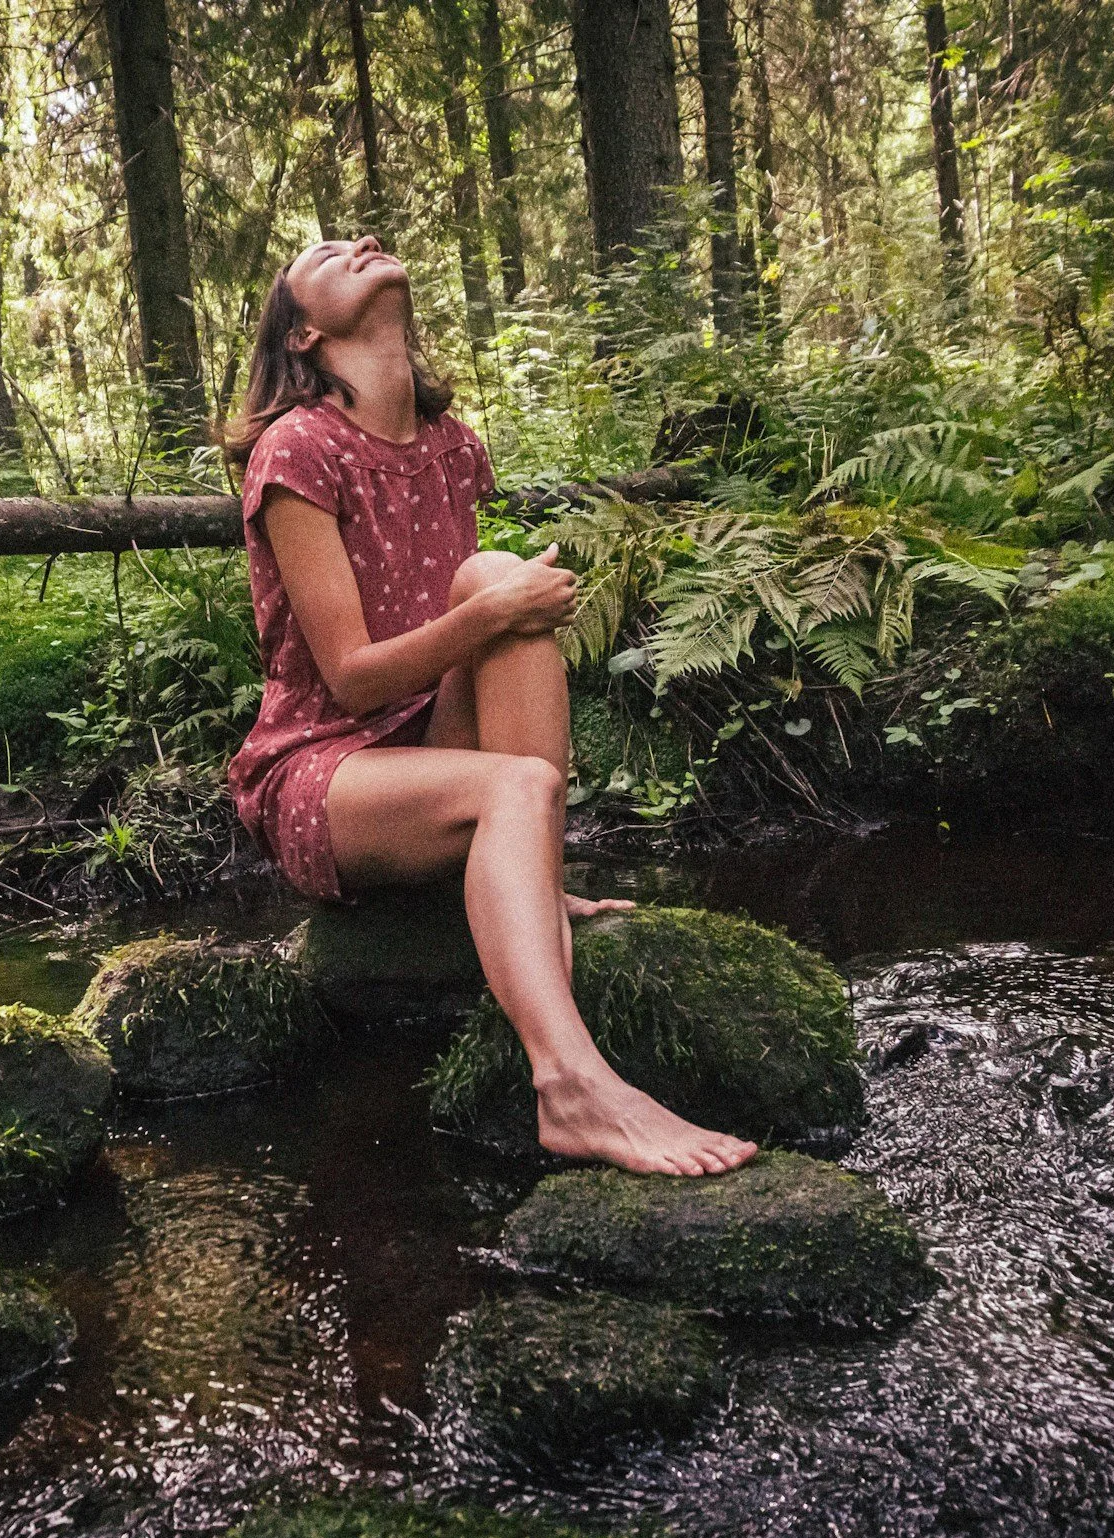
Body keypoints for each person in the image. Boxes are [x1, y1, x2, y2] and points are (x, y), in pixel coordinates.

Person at [223, 236, 757, 1178]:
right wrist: (491, 617)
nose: (361, 244)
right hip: (324, 771)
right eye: (328, 251)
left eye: (365, 239)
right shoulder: (296, 449)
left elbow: (469, 623)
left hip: (429, 743)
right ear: (303, 331)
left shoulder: (452, 446)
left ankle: (528, 877)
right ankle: (569, 1083)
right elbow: (348, 677)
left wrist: (492, 605)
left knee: (494, 571)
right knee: (507, 708)